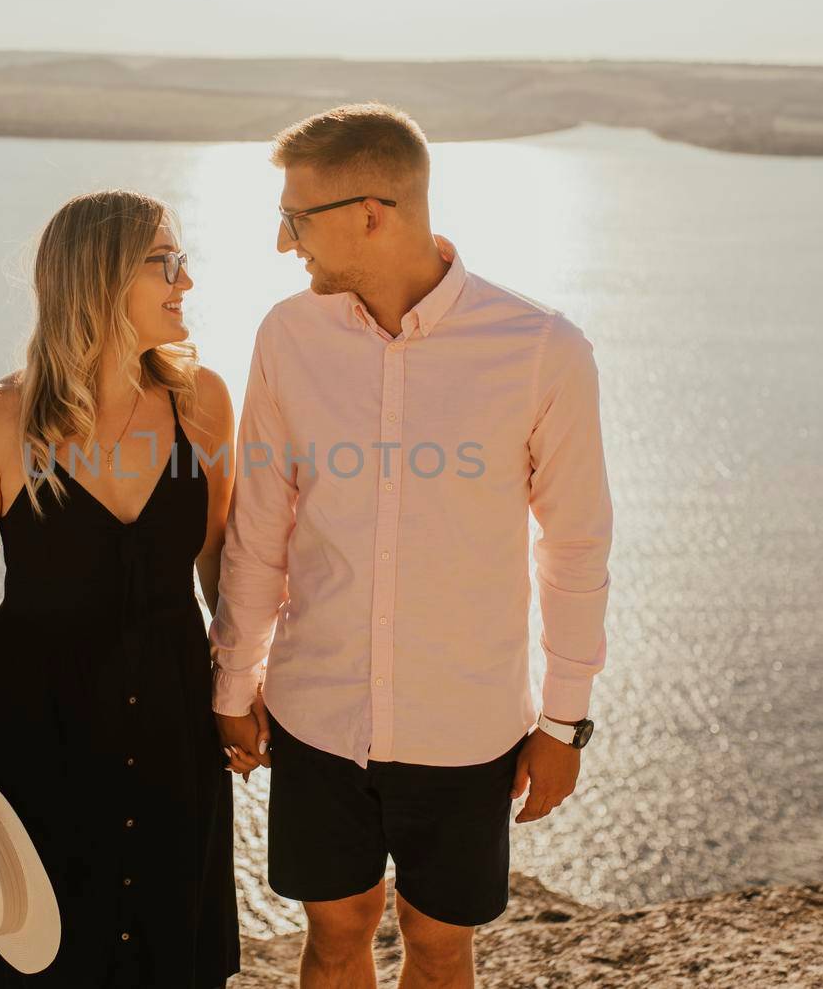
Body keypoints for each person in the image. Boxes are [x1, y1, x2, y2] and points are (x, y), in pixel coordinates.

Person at [211, 104, 614, 989]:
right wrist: (235, 681)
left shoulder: (542, 348)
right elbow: (261, 527)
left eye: (295, 218)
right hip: (316, 717)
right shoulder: (288, 335)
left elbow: (577, 545)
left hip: (465, 727)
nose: (285, 244)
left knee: (439, 947)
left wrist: (563, 723)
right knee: (333, 936)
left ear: (371, 211)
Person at [0, 189, 242, 987]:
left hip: (174, 727)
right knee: (44, 954)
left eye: (183, 261)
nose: (185, 282)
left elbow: (219, 566)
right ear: (98, 278)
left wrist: (242, 683)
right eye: (163, 263)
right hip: (36, 734)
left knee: (173, 942)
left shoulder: (202, 404)